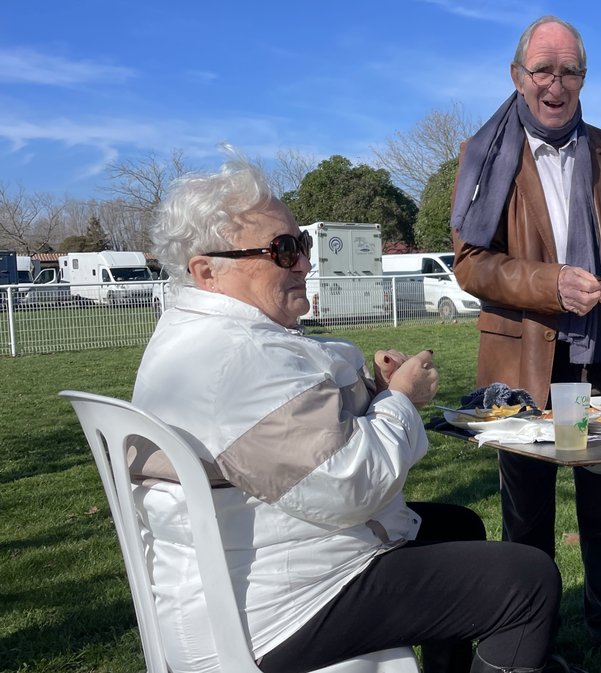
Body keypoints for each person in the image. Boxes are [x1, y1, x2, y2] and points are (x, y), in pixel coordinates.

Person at [131, 153, 560, 673]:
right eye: (282, 250)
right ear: (207, 271)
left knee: (459, 524)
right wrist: (400, 399)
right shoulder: (236, 357)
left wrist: (376, 392)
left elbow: (300, 434)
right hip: (277, 610)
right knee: (527, 581)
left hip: (255, 569)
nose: (305, 263)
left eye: (301, 244)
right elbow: (351, 488)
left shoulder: (198, 336)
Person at [450, 15, 601, 659]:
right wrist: (550, 284)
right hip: (524, 370)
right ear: (517, 77)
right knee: (526, 521)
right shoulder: (484, 155)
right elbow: (470, 261)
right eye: (542, 70)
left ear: (583, 78)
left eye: (569, 70)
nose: (555, 83)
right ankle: (528, 649)